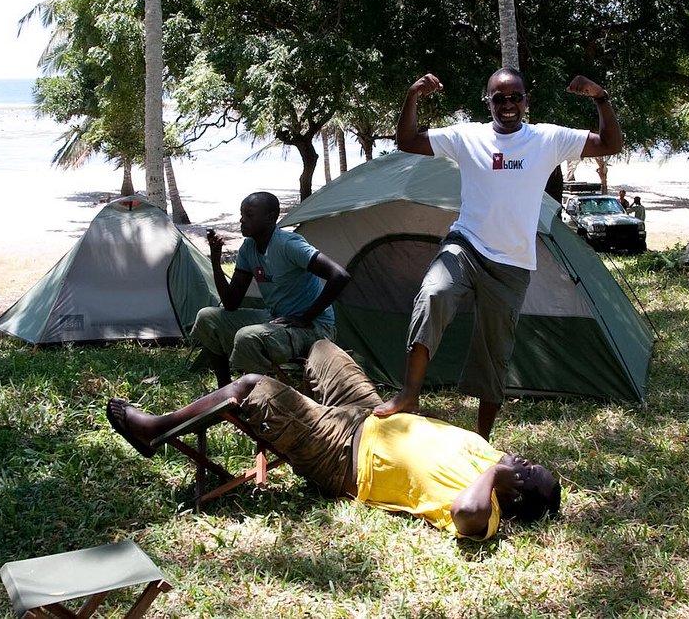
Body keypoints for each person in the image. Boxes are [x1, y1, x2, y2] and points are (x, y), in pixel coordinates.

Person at [373, 68, 622, 439]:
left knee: (495, 350)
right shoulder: (466, 136)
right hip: (466, 245)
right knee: (433, 294)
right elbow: (408, 141)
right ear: (487, 101)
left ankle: (482, 438)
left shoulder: (548, 138)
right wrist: (412, 96)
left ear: (526, 100)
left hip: (512, 263)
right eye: (499, 98)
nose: (508, 105)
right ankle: (409, 394)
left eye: (515, 97)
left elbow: (609, 144)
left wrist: (600, 98)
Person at [106, 339, 561, 540]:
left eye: (526, 470)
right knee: (324, 349)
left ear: (517, 493)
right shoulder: (489, 454)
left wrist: (496, 474)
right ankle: (296, 408)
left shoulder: (487, 504)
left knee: (250, 386)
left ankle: (154, 430)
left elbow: (465, 518)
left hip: (344, 454)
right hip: (372, 412)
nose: (518, 458)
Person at [190, 191, 350, 387]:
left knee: (248, 337)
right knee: (207, 317)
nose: (242, 220)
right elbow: (231, 303)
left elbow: (340, 276)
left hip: (315, 327)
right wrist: (215, 261)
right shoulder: (248, 249)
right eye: (241, 214)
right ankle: (224, 392)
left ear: (271, 217)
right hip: (278, 319)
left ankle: (258, 398)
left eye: (249, 215)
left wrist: (305, 318)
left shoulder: (288, 245)